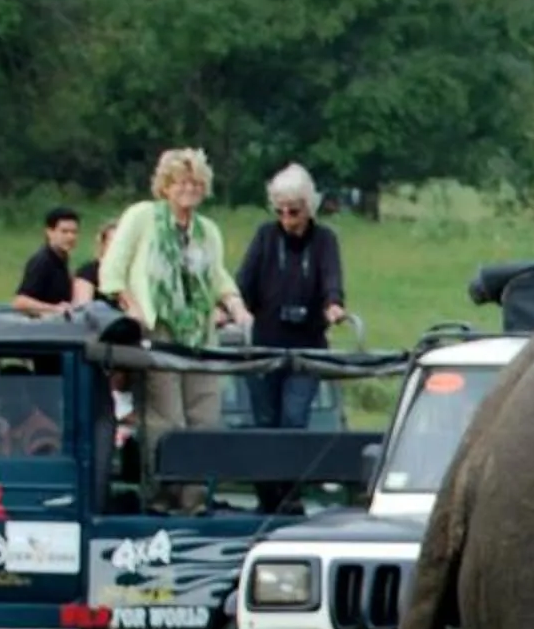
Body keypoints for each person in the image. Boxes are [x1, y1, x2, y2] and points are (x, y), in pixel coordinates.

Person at [97, 146, 252, 507]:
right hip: (158, 329)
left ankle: (196, 498)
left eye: (196, 183)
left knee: (204, 415)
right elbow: (113, 271)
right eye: (181, 182)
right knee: (166, 417)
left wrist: (235, 304)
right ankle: (162, 495)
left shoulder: (207, 230)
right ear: (165, 186)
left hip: (198, 332)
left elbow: (216, 275)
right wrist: (133, 310)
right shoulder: (142, 217)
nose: (189, 189)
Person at [237, 164, 349, 428]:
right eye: (280, 211)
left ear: (309, 207)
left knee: (294, 416)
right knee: (264, 420)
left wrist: (333, 304)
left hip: (307, 347)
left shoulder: (324, 240)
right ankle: (267, 469)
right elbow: (244, 281)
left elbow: (331, 277)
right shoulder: (265, 236)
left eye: (294, 211)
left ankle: (291, 469)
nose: (287, 219)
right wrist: (231, 307)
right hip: (265, 346)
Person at [12, 207, 81, 317]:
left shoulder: (62, 258)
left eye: (74, 232)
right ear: (49, 232)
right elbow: (20, 302)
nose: (70, 237)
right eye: (64, 232)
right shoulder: (42, 261)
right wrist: (55, 309)